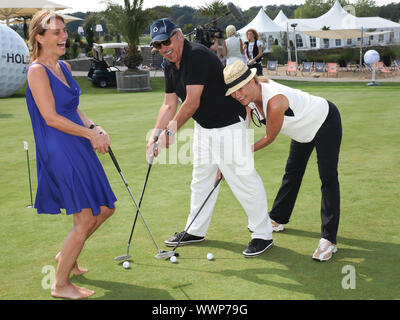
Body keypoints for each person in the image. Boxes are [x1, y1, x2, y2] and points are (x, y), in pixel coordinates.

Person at [146, 18, 273, 257]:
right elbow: (169, 104)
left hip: (229, 124)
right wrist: (155, 134)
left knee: (242, 178)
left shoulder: (197, 56)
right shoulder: (169, 65)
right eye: (158, 45)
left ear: (179, 35)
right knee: (201, 178)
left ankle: (263, 234)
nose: (163, 48)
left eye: (166, 41)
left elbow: (192, 101)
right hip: (205, 127)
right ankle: (195, 230)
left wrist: (170, 133)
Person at [26, 10, 117, 299]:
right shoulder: (37, 71)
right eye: (56, 32)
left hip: (76, 142)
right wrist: (90, 134)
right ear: (39, 37)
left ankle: (66, 254)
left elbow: (72, 108)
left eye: (64, 31)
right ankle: (60, 285)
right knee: (85, 218)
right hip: (59, 148)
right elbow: (51, 117)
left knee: (105, 209)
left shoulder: (63, 68)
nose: (64, 36)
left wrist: (94, 126)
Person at [223, 60, 342, 262]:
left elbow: (269, 137)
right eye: (233, 91)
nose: (237, 95)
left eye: (240, 88)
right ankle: (277, 219)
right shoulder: (248, 98)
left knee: (328, 177)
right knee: (292, 172)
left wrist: (240, 155)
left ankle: (329, 239)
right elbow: (244, 125)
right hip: (302, 131)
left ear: (252, 80)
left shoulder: (275, 101)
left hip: (324, 121)